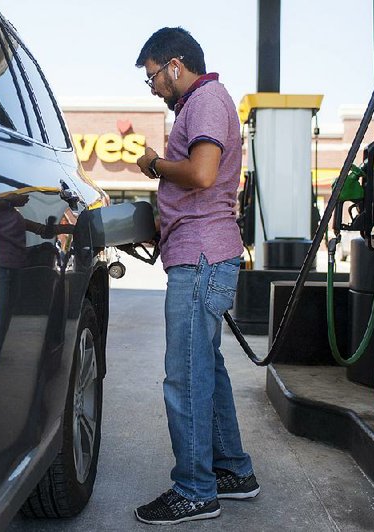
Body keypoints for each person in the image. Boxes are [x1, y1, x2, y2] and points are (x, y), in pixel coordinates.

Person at [133, 27, 259, 525]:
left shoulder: (205, 100)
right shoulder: (204, 102)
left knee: (184, 377)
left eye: (153, 77)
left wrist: (154, 165)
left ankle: (194, 490)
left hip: (201, 259)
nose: (154, 88)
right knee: (207, 369)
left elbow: (203, 174)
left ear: (175, 65)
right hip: (204, 253)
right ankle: (231, 471)